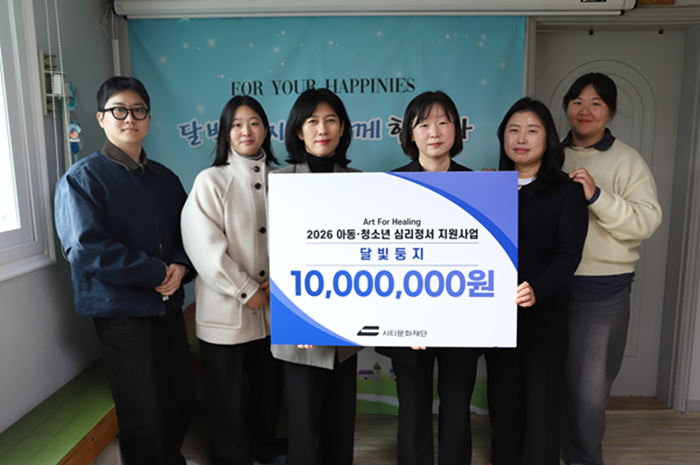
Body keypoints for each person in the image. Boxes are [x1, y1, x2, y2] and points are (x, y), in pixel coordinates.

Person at [54, 76, 196, 465]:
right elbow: (86, 247)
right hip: (122, 312)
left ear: (148, 117)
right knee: (144, 411)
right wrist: (155, 272)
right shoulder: (82, 178)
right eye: (119, 110)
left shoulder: (165, 179)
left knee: (181, 396)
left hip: (168, 305)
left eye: (138, 110)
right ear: (101, 118)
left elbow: (189, 233)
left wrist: (181, 266)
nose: (129, 118)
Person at [376, 91, 485, 465]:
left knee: (457, 407)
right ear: (410, 133)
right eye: (423, 124)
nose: (434, 132)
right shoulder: (389, 186)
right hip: (406, 321)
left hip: (463, 319)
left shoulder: (480, 186)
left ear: (457, 129)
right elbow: (379, 260)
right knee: (412, 409)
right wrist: (404, 320)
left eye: (443, 122)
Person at [560, 73, 662, 465]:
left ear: (611, 110)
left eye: (596, 103)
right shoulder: (550, 154)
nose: (584, 111)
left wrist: (597, 196)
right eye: (577, 101)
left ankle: (584, 459)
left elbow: (647, 221)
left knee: (588, 390)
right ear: (566, 107)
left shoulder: (627, 160)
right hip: (546, 285)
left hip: (601, 289)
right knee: (544, 378)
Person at [181, 96, 286, 465]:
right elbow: (203, 246)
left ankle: (264, 446)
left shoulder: (284, 179)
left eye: (254, 122)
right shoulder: (211, 180)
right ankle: (231, 457)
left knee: (268, 389)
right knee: (227, 395)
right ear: (226, 133)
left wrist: (281, 281)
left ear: (266, 130)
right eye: (237, 124)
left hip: (273, 309)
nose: (246, 131)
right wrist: (245, 289)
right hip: (226, 311)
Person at [492, 97, 589, 465]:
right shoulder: (490, 188)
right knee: (504, 402)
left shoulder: (567, 191)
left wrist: (537, 288)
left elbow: (568, 256)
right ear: (502, 137)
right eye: (513, 130)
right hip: (497, 316)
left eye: (532, 130)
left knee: (542, 405)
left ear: (548, 139)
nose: (521, 138)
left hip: (544, 313)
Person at [270, 88, 362, 465]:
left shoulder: (360, 182)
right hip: (300, 327)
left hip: (345, 326)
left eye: (330, 120)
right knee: (304, 428)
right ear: (298, 130)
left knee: (340, 425)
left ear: (342, 128)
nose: (322, 129)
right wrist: (298, 318)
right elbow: (276, 252)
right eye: (312, 121)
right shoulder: (279, 180)